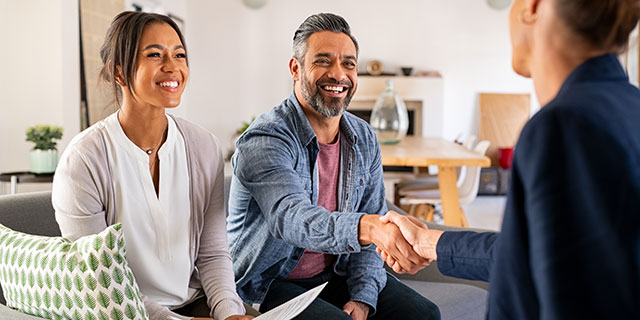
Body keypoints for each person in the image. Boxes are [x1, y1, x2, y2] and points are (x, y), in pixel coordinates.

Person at [377, 0, 640, 318]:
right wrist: (428, 241)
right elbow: (535, 254)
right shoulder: (628, 107)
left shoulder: (565, 125)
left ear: (533, 6)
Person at [227, 13, 439, 320]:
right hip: (268, 282)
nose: (338, 74)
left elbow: (373, 218)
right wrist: (368, 227)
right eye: (323, 61)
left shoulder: (363, 136)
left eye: (348, 64)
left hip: (333, 274)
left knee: (424, 314)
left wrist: (364, 295)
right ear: (295, 68)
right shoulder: (266, 138)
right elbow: (291, 217)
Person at [52, 11, 253, 320]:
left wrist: (228, 312)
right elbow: (102, 281)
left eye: (179, 55)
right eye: (154, 54)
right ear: (119, 72)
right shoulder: (84, 160)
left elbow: (212, 253)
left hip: (192, 301)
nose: (172, 66)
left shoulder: (204, 146)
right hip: (118, 311)